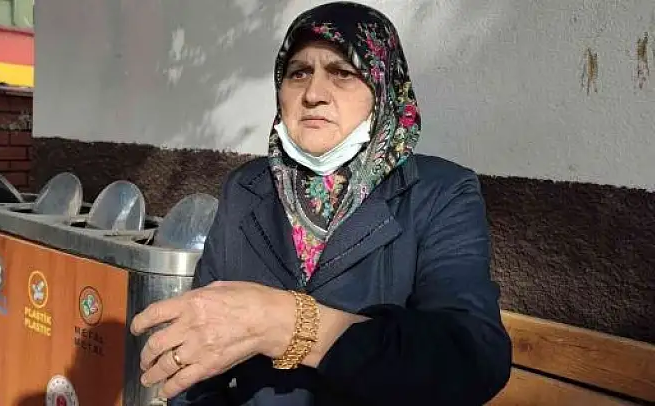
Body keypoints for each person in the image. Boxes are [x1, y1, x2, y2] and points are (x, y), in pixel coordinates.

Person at [130, 2, 512, 405]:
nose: (313, 94)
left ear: (383, 89)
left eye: (342, 73)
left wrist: (287, 324)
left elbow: (472, 359)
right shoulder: (247, 188)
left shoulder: (439, 194)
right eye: (298, 73)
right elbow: (198, 356)